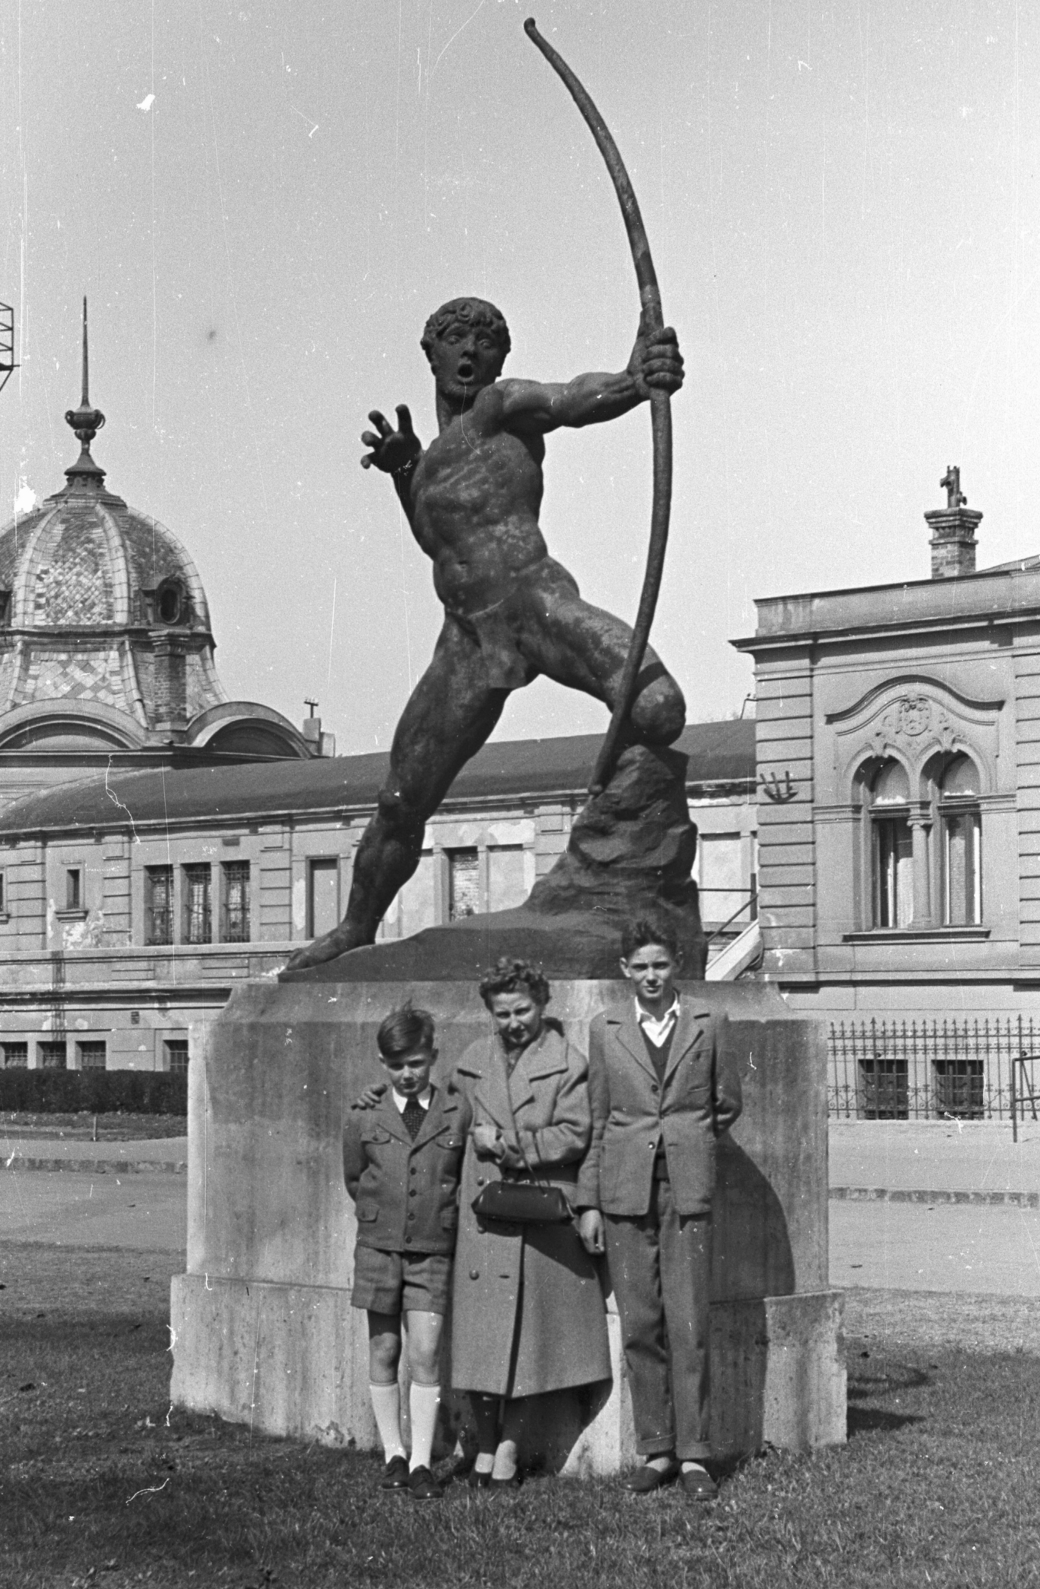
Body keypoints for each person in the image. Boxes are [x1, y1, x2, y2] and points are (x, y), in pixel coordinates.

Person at [286, 299, 685, 972]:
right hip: (467, 640)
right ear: (430, 353)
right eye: (454, 340)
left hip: (535, 604)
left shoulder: (501, 406)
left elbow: (568, 400)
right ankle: (355, 926)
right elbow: (434, 540)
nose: (469, 353)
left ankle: (617, 859)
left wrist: (632, 379)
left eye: (484, 342)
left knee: (657, 709)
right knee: (398, 799)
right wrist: (404, 471)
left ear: (500, 358)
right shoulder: (431, 455)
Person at [355, 959, 611, 1489]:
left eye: (523, 1010)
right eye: (502, 1013)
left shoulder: (568, 1063)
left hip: (536, 1220)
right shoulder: (472, 1059)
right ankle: (485, 1448)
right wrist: (378, 1098)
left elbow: (577, 1135)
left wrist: (511, 1145)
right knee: (481, 1343)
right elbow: (432, 1112)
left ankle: (508, 1451)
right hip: (481, 1220)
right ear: (489, 1012)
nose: (514, 1021)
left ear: (542, 1005)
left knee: (525, 1344)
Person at [576, 917, 742, 1502]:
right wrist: (590, 1201)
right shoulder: (606, 1028)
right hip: (624, 1193)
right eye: (640, 967)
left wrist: (687, 1144)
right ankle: (658, 1449)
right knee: (642, 1325)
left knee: (689, 1319)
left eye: (661, 965)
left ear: (677, 965)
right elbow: (597, 1119)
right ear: (625, 970)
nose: (651, 976)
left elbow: (725, 1104)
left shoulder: (708, 1021)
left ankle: (695, 1454)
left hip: (686, 1191)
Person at [342, 1003, 467, 1501]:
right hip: (378, 1248)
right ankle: (392, 1453)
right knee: (384, 1349)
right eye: (396, 1065)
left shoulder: (455, 1110)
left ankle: (421, 1462)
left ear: (433, 1056)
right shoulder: (364, 1113)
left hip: (432, 1247)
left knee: (425, 1352)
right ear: (382, 1062)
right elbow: (355, 1178)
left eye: (416, 1062)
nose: (407, 1073)